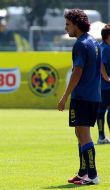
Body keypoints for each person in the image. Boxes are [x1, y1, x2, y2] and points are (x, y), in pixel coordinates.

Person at [58, 9, 100, 185]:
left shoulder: (81, 44)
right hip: (93, 96)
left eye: (68, 24)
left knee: (84, 136)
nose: (66, 27)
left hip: (82, 97)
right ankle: (83, 173)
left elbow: (77, 71)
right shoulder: (93, 42)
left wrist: (65, 95)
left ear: (76, 24)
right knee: (80, 133)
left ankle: (92, 175)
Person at [96, 24, 110, 144]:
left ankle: (101, 136)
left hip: (101, 86)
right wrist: (107, 77)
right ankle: (101, 137)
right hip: (106, 86)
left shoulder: (101, 47)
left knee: (101, 111)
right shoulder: (106, 49)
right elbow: (101, 64)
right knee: (104, 111)